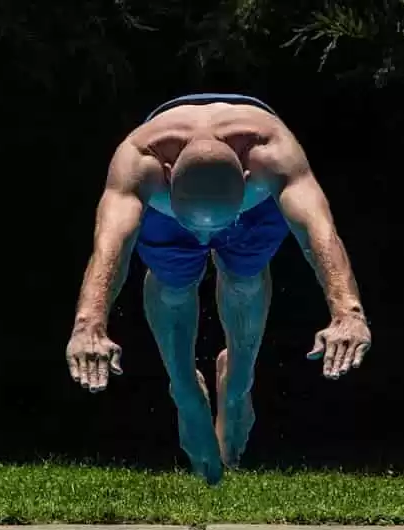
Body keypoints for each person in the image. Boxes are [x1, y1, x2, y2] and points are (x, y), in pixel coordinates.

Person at [65, 93, 372, 484]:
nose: (203, 237)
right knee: (173, 284)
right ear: (168, 174)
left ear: (247, 177)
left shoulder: (273, 154)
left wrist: (348, 312)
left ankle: (239, 383)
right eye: (194, 227)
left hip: (248, 207)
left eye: (213, 228)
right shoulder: (139, 161)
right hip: (172, 207)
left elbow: (319, 233)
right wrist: (88, 324)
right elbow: (110, 249)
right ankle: (184, 390)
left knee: (244, 276)